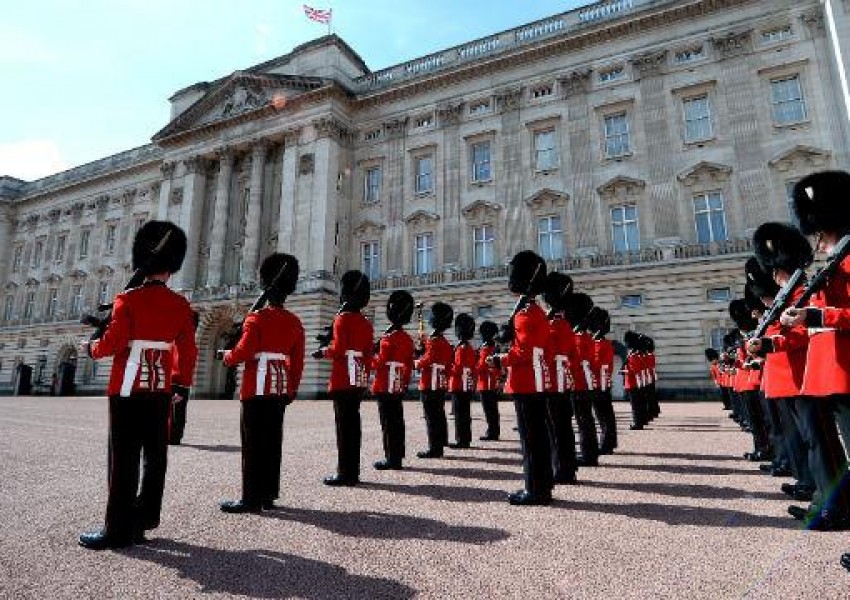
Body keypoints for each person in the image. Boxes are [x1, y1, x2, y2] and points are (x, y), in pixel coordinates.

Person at [77, 220, 197, 550]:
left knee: (123, 458)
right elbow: (187, 353)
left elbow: (113, 344)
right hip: (160, 391)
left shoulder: (127, 300)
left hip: (127, 390)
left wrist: (91, 348)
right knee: (155, 457)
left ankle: (117, 529)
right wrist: (179, 385)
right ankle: (144, 520)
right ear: (171, 270)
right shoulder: (181, 305)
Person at [780, 171, 850, 530]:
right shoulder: (835, 264)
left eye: (821, 233)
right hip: (833, 373)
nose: (819, 242)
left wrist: (813, 314)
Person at [218, 253, 304, 513]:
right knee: (273, 441)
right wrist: (291, 389)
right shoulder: (294, 321)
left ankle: (250, 498)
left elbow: (244, 352)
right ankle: (268, 494)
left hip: (257, 387)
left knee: (253, 444)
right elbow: (297, 363)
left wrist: (226, 357)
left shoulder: (256, 319)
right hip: (279, 388)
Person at [746, 223, 814, 500]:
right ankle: (805, 479)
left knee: (810, 436)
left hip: (798, 374)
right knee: (789, 430)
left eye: (776, 270)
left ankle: (813, 485)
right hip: (781, 374)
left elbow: (799, 334)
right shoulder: (781, 302)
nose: (774, 276)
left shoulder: (800, 294)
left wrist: (767, 344)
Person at [488, 250, 553, 506]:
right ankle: (542, 486)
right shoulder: (533, 311)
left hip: (526, 381)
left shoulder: (526, 313)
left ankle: (535, 490)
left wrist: (499, 359)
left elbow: (524, 352)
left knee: (531, 439)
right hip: (535, 381)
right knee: (538, 437)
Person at [313, 270, 374, 486]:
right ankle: (353, 471)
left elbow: (338, 349)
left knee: (343, 427)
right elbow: (368, 354)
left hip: (342, 378)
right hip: (357, 377)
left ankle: (345, 473)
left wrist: (323, 351)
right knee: (353, 425)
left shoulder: (342, 319)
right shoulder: (366, 322)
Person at [371, 290, 416, 470]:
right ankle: (397, 456)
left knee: (388, 423)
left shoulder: (388, 339)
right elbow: (409, 364)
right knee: (397, 421)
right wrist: (404, 383)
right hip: (398, 383)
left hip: (385, 384)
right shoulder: (407, 339)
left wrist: (368, 356)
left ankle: (391, 458)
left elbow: (379, 363)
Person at [542, 271, 578, 483]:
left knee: (555, 429)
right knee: (564, 427)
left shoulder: (552, 327)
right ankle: (568, 467)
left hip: (551, 381)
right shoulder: (565, 325)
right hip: (564, 380)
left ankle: (561, 470)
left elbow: (544, 354)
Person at [415, 302, 454, 459]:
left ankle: (435, 449)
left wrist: (417, 363)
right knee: (439, 413)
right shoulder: (444, 341)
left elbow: (429, 358)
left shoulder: (434, 340)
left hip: (430, 380)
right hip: (440, 381)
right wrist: (424, 342)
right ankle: (442, 441)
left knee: (431, 416)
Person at [566, 293, 601, 465]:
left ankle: (588, 455)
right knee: (585, 419)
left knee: (583, 420)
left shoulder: (579, 337)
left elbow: (575, 361)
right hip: (583, 381)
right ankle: (590, 452)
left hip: (578, 382)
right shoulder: (585, 335)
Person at [168, 310, 200, 445]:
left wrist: (177, 379)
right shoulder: (187, 338)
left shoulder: (183, 338)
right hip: (181, 380)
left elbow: (181, 359)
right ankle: (174, 435)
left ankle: (173, 436)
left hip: (177, 380)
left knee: (176, 410)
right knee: (178, 410)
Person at [590, 309, 618, 454]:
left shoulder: (601, 344)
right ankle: (609, 442)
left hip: (599, 383)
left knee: (604, 415)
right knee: (604, 414)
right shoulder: (600, 342)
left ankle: (607, 443)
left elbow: (599, 365)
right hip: (600, 382)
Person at [449, 313, 477, 449]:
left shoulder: (461, 348)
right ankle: (466, 439)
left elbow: (457, 368)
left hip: (459, 384)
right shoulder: (469, 347)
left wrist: (447, 367)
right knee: (465, 413)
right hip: (467, 384)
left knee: (461, 415)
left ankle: (462, 440)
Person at [476, 321, 501, 441]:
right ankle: (493, 430)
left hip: (486, 382)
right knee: (492, 409)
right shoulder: (492, 346)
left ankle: (492, 432)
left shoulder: (486, 347)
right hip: (489, 381)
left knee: (489, 409)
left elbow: (482, 366)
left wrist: (473, 368)